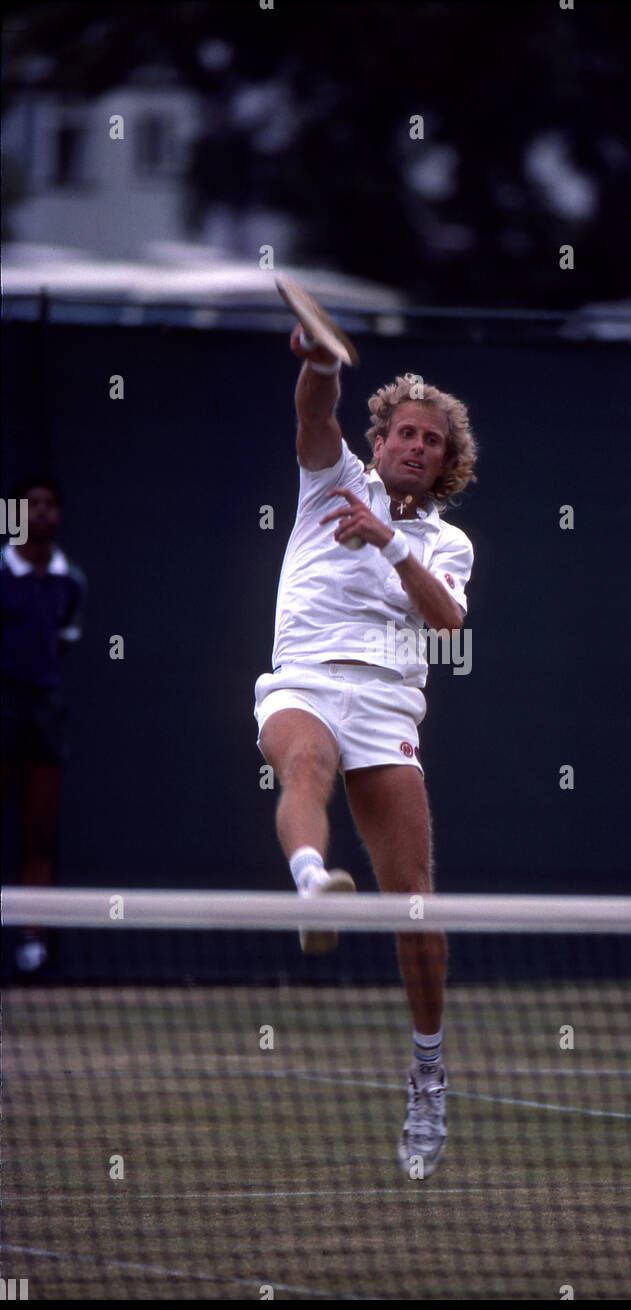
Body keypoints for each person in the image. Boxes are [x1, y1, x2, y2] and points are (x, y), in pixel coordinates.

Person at [253, 324, 477, 1177]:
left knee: (416, 908)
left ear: (443, 459)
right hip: (305, 678)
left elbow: (449, 620)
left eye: (432, 439)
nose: (416, 446)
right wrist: (318, 361)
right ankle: (313, 884)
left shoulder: (447, 543)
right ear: (379, 442)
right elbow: (316, 412)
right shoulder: (331, 480)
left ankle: (427, 1073)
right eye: (404, 432)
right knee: (303, 764)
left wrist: (388, 541)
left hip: (387, 704)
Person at [1, 476, 86, 973]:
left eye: (51, 504)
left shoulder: (70, 579)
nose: (42, 512)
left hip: (45, 711)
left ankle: (32, 947)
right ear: (16, 513)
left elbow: (61, 643)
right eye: (32, 504)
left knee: (38, 830)